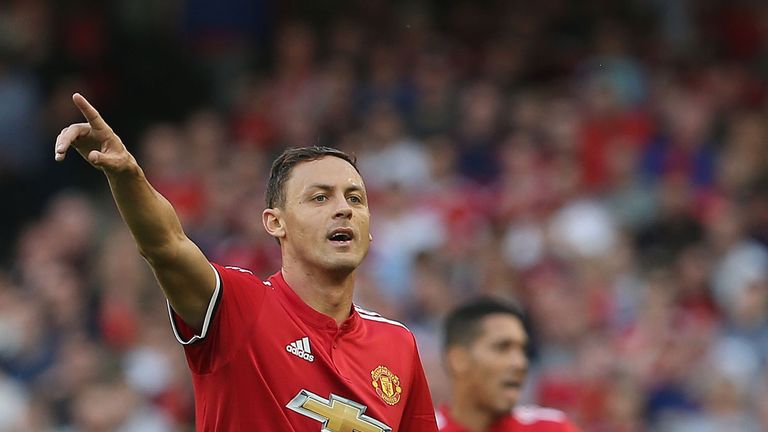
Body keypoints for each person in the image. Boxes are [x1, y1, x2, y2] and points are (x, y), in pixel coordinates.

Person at [54, 93, 438, 431]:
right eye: (320, 198)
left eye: (355, 199)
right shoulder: (240, 305)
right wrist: (127, 175)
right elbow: (166, 246)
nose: (343, 209)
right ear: (276, 223)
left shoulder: (398, 344)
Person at [437, 298, 580, 432]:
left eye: (523, 350)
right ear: (458, 360)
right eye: (502, 347)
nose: (520, 363)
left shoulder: (550, 428)